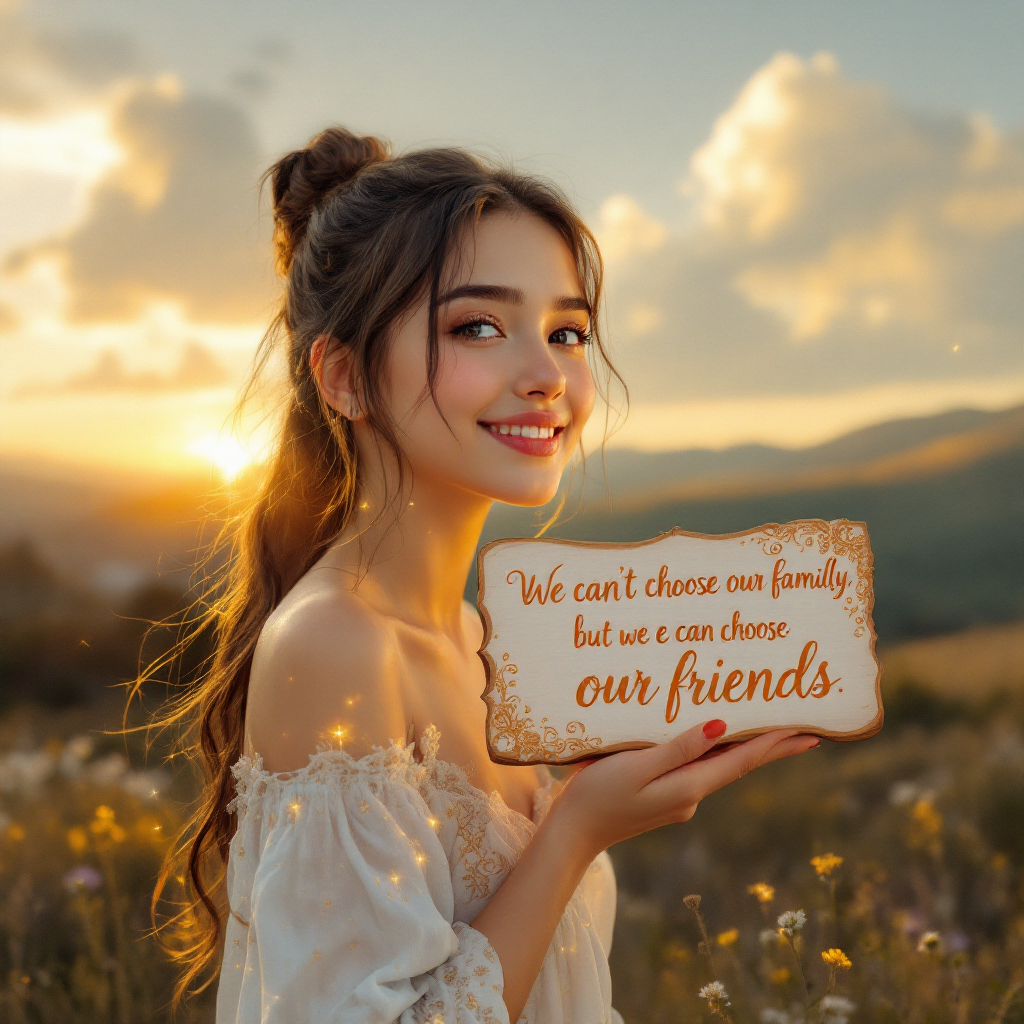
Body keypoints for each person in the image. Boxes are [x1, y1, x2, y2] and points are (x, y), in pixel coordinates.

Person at [157, 126, 819, 1024]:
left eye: (567, 330)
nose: (547, 374)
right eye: (479, 327)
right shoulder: (334, 643)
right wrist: (576, 830)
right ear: (345, 378)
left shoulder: (479, 637)